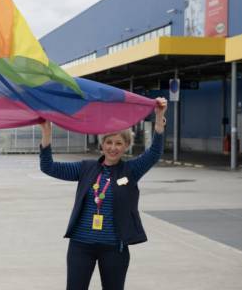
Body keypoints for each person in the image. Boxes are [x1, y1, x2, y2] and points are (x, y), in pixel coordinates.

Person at [39, 97, 167, 290]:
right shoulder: (86, 168)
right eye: (109, 142)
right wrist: (46, 134)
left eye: (118, 143)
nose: (113, 148)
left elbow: (154, 153)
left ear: (126, 146)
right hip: (81, 246)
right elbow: (49, 167)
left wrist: (159, 119)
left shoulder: (131, 170)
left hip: (114, 248)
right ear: (102, 143)